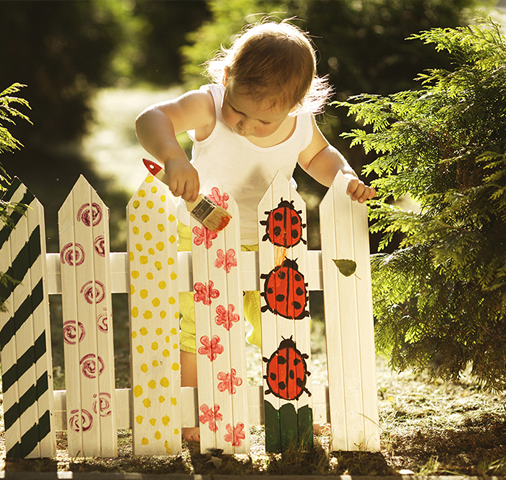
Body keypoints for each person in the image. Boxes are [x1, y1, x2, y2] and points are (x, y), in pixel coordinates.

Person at [134, 19, 375, 442]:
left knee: (282, 328)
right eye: (238, 110)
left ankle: (286, 407)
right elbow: (152, 118)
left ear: (296, 105)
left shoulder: (299, 124)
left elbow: (320, 156)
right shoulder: (209, 106)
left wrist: (344, 178)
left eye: (261, 121)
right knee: (195, 328)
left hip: (275, 243)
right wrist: (173, 156)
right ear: (227, 78)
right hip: (204, 237)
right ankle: (193, 416)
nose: (243, 124)